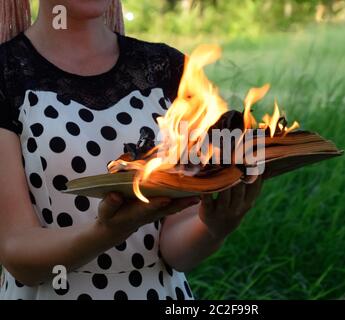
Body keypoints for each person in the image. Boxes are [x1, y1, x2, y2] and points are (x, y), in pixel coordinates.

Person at [0, 0, 263, 300]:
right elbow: (18, 252)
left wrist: (214, 227)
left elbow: (174, 251)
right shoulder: (7, 75)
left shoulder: (169, 69)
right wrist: (107, 232)